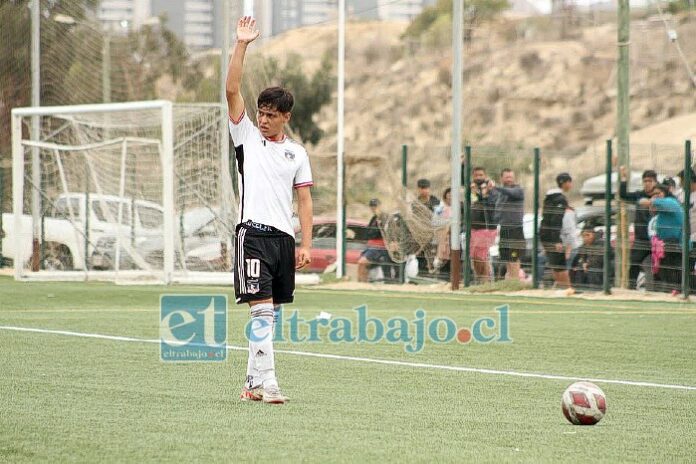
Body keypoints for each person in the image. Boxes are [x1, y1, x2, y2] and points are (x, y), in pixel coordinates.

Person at [227, 16, 313, 404]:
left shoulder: (297, 153)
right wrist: (242, 44)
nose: (262, 120)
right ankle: (271, 382)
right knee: (262, 314)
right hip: (253, 235)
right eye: (260, 113)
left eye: (270, 115)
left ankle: (250, 384)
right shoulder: (245, 135)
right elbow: (231, 90)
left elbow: (305, 200)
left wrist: (305, 243)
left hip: (282, 239)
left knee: (269, 315)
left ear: (285, 117)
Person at [619, 166, 658, 289]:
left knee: (660, 266)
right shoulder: (639, 195)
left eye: (650, 181)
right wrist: (624, 178)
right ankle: (630, 289)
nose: (647, 184)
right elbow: (623, 195)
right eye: (645, 181)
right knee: (634, 265)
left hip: (657, 239)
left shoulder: (661, 195)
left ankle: (660, 291)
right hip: (641, 239)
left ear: (655, 182)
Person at [646, 183, 683, 291]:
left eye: (658, 193)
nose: (655, 196)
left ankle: (677, 290)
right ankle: (675, 290)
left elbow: (648, 202)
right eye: (654, 194)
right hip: (666, 242)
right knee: (667, 269)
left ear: (665, 193)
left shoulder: (670, 202)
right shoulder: (664, 206)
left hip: (673, 242)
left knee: (672, 269)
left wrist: (650, 201)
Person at [539, 172, 573, 290]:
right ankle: (568, 290)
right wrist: (556, 240)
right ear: (565, 183)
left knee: (555, 265)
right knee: (561, 265)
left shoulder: (549, 197)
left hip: (544, 234)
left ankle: (561, 289)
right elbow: (555, 220)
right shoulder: (560, 199)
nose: (571, 185)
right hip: (552, 236)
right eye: (570, 182)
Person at [493, 168, 525, 280]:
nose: (509, 179)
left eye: (511, 177)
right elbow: (497, 210)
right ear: (501, 178)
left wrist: (495, 187)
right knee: (506, 257)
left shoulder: (518, 190)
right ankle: (510, 280)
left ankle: (515, 281)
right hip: (504, 228)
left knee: (514, 257)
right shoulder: (500, 194)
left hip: (515, 229)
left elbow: (510, 192)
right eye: (507, 177)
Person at [470, 167, 499, 283]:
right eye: (476, 175)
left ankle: (486, 280)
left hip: (487, 227)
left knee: (482, 256)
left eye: (481, 175)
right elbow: (473, 202)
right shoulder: (472, 188)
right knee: (475, 256)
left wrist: (486, 193)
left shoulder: (491, 187)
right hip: (474, 227)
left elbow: (492, 203)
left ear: (485, 175)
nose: (478, 177)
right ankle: (480, 279)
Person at [358, 199, 392, 282]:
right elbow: (368, 233)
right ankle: (362, 285)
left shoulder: (384, 217)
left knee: (362, 262)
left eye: (375, 206)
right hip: (371, 246)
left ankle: (363, 283)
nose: (374, 208)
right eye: (372, 206)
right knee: (362, 265)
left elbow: (381, 232)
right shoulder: (374, 218)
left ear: (380, 206)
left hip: (379, 247)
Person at [570, 225, 612, 289]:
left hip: (601, 268)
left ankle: (595, 288)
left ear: (593, 234)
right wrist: (583, 263)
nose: (585, 238)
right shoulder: (584, 246)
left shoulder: (601, 243)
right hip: (588, 267)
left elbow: (598, 259)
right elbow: (580, 258)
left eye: (588, 235)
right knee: (578, 268)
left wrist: (587, 264)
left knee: (592, 268)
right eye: (584, 236)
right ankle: (578, 288)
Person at [432, 188, 452, 278]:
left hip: (453, 236)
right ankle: (439, 273)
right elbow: (434, 221)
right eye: (449, 194)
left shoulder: (458, 207)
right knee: (441, 253)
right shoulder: (440, 208)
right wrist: (446, 224)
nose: (450, 197)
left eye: (452, 194)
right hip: (442, 235)